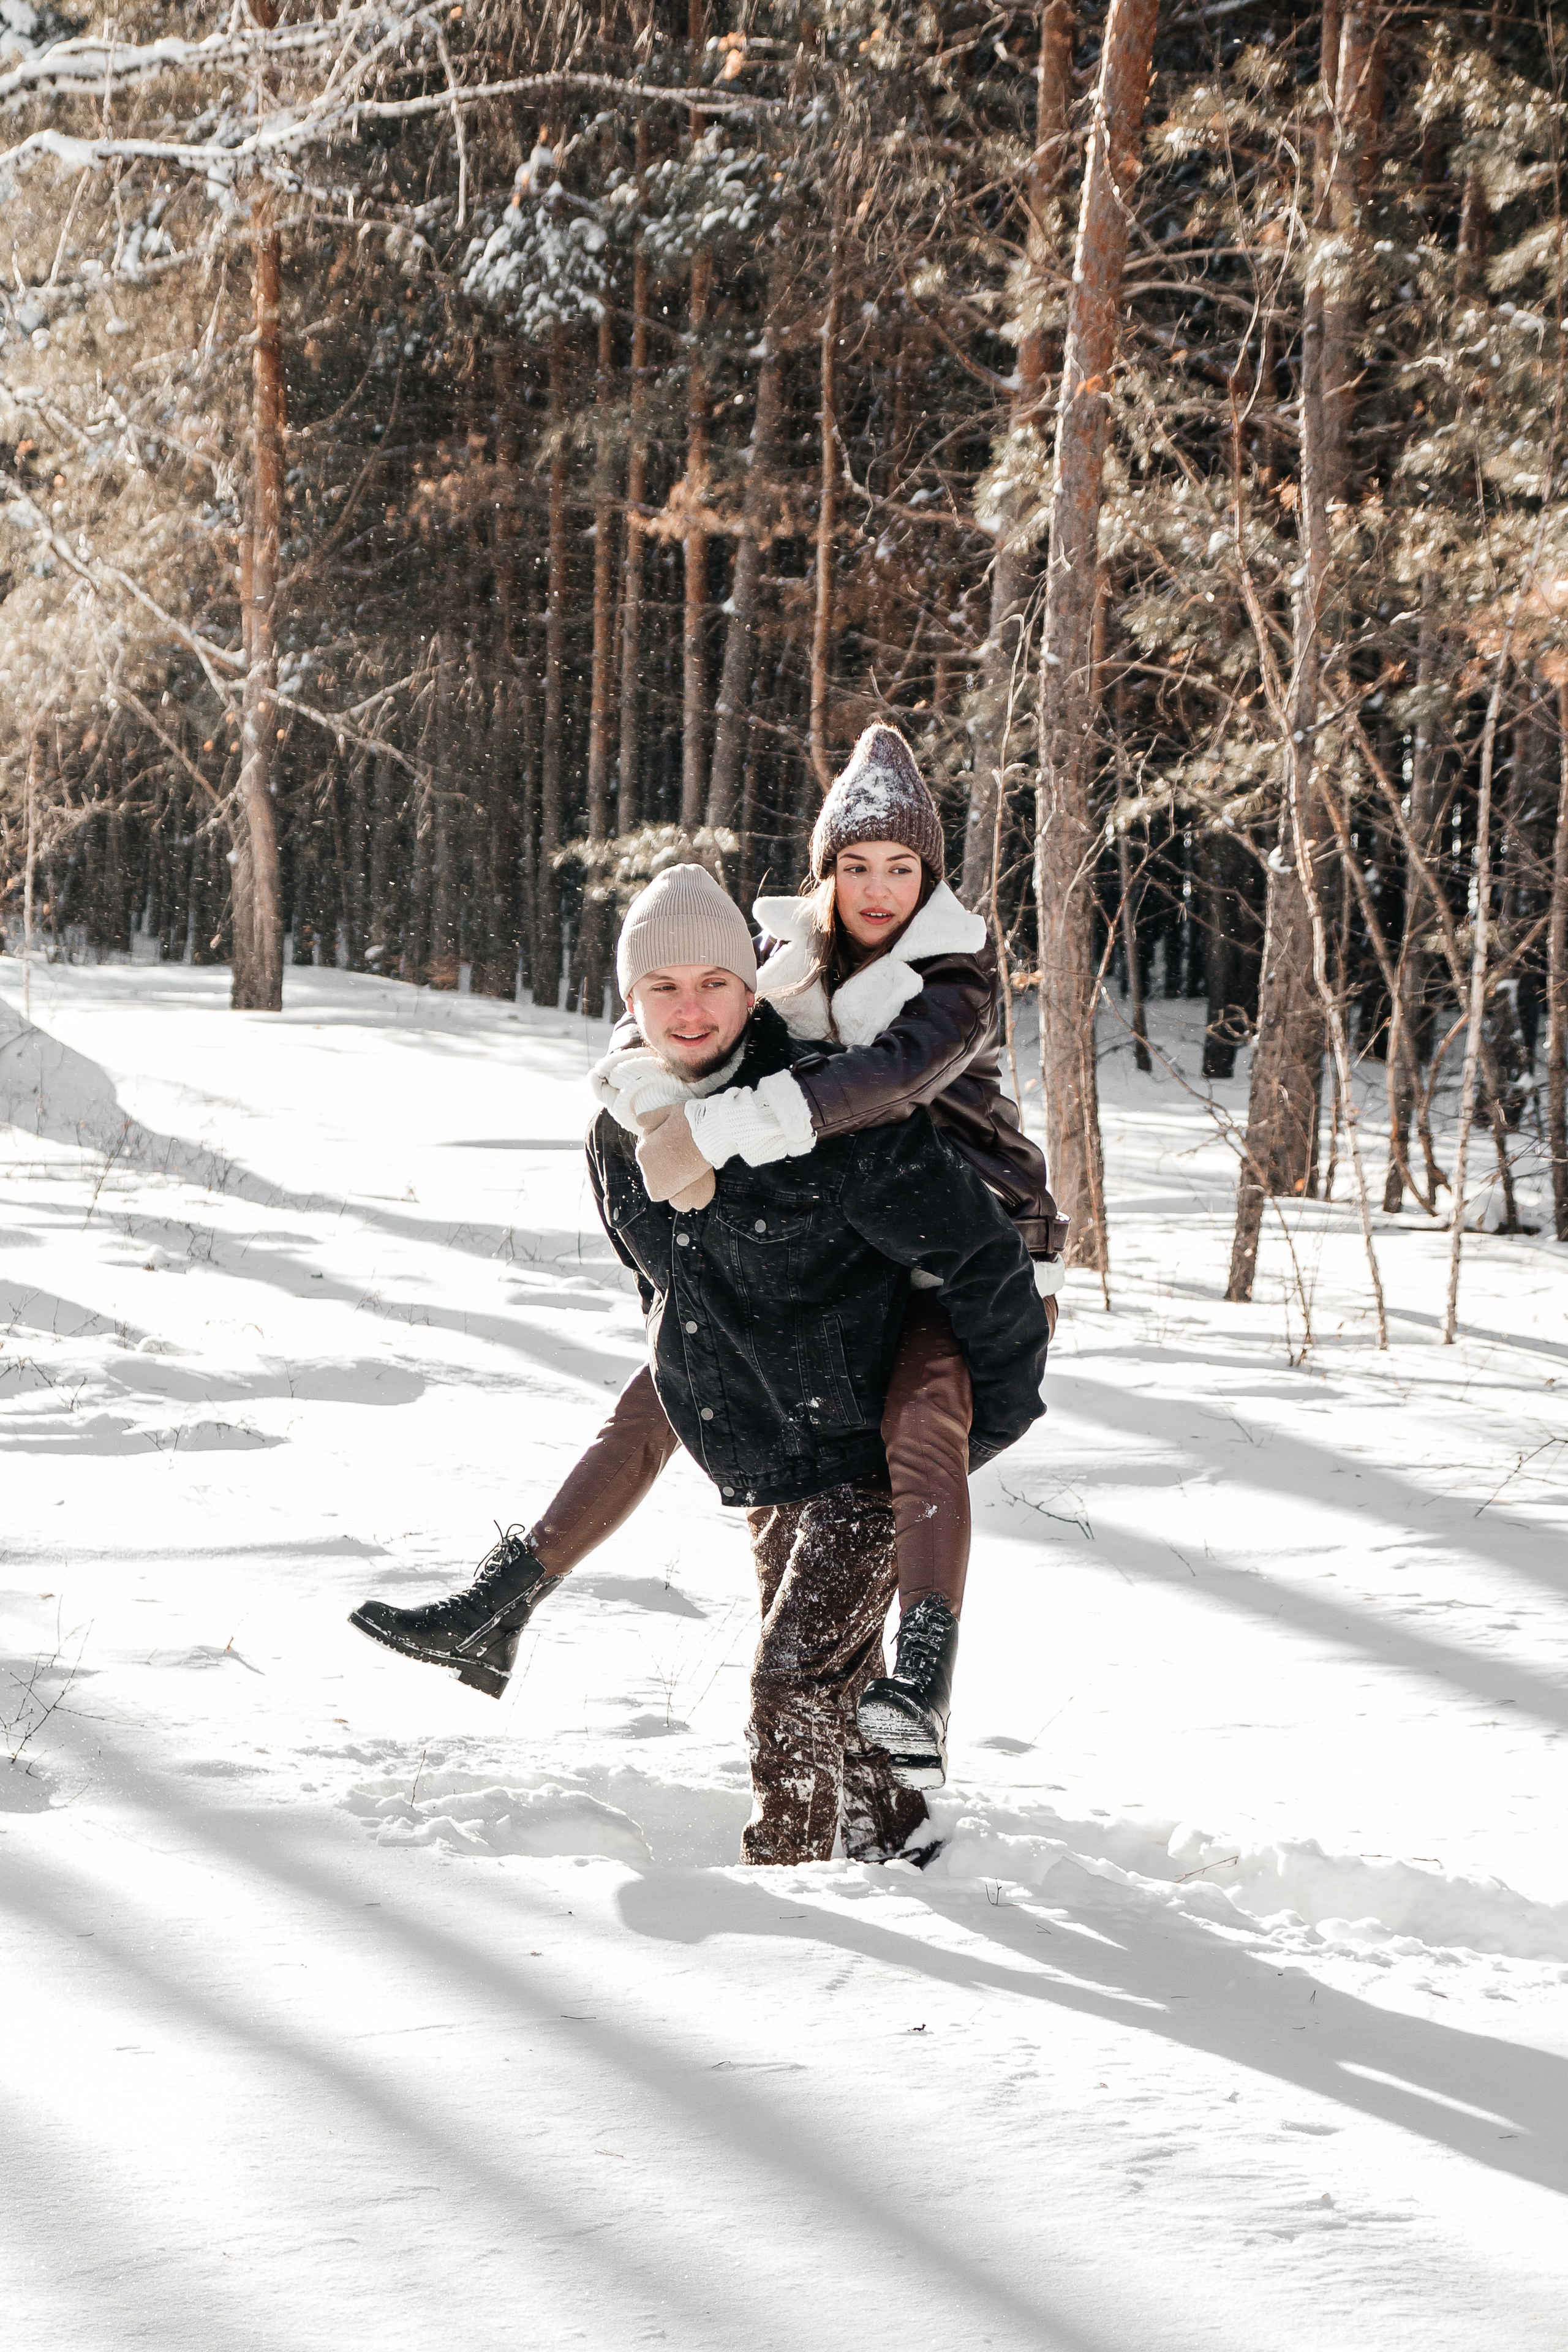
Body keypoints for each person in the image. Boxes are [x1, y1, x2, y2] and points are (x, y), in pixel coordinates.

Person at [351, 861, 1051, 1866]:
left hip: (869, 1446)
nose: (690, 1009)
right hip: (773, 1431)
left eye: (715, 983)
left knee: (794, 1683)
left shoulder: (823, 1114)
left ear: (750, 987)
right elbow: (668, 1293)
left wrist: (982, 1417)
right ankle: (900, 1855)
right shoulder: (616, 1127)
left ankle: (793, 1894)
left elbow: (985, 1264)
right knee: (834, 1685)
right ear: (630, 999)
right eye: (663, 987)